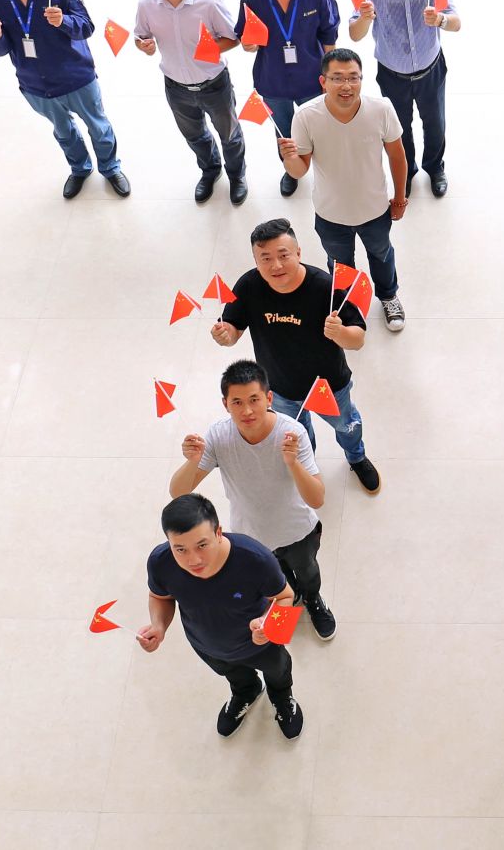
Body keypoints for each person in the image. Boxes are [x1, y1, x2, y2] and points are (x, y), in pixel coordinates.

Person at [211, 218, 382, 495]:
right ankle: (306, 467)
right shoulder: (248, 286)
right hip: (279, 388)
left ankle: (356, 457)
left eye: (283, 255)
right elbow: (233, 329)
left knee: (346, 426)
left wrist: (340, 333)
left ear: (298, 252)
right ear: (256, 260)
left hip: (329, 386)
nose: (276, 265)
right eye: (266, 258)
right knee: (296, 435)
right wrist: (225, 335)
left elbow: (358, 339)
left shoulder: (324, 287)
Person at [168, 359, 336, 640]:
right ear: (225, 404)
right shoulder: (219, 435)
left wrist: (293, 463)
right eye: (237, 402)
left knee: (308, 572)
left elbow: (317, 498)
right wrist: (192, 461)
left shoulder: (292, 433)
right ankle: (289, 598)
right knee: (276, 582)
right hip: (251, 534)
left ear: (269, 398)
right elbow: (178, 493)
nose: (246, 411)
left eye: (254, 400)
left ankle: (312, 599)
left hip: (297, 530)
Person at [0, 0, 130, 199]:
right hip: (36, 85)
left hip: (76, 77)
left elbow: (86, 26)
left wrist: (64, 21)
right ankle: (80, 169)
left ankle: (110, 168)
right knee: (63, 131)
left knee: (98, 127)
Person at [136, 494, 304, 739]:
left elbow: (286, 596)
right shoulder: (160, 562)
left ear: (218, 533)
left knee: (278, 673)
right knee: (233, 675)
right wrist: (159, 626)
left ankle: (282, 698)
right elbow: (160, 596)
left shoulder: (255, 559)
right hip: (206, 645)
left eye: (201, 545)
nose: (193, 560)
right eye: (180, 549)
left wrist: (270, 628)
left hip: (260, 644)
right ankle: (246, 692)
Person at [278, 49, 409, 331]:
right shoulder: (306, 116)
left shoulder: (381, 109)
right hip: (331, 213)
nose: (346, 85)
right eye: (337, 78)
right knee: (340, 266)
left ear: (362, 79)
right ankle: (348, 304)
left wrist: (399, 198)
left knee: (382, 255)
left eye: (353, 78)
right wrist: (289, 158)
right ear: (323, 81)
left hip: (374, 209)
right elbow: (299, 171)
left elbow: (398, 156)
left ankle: (388, 296)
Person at [346, 0, 458, 199]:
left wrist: (440, 19)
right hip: (392, 73)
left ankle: (435, 168)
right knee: (399, 127)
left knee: (435, 124)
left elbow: (456, 22)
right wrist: (365, 18)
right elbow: (355, 34)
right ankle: (406, 171)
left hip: (430, 70)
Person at [132, 0, 248, 206]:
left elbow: (233, 38)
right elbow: (141, 36)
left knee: (229, 135)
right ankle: (210, 171)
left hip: (214, 84)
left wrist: (209, 49)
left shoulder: (209, 4)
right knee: (195, 135)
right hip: (176, 87)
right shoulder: (146, 5)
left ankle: (237, 176)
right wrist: (144, 46)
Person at [237, 0, 341, 198]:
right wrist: (248, 45)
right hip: (273, 80)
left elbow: (329, 35)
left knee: (319, 127)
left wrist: (331, 76)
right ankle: (291, 170)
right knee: (283, 131)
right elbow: (246, 39)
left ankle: (327, 170)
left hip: (312, 77)